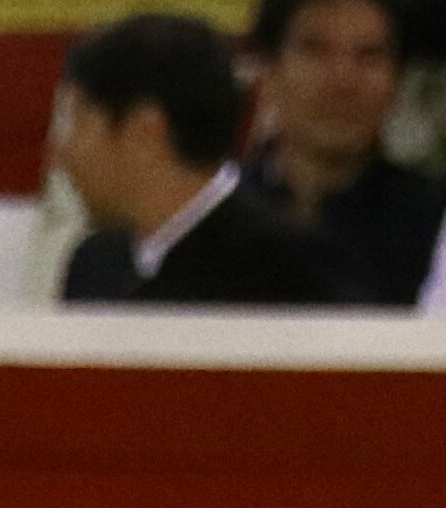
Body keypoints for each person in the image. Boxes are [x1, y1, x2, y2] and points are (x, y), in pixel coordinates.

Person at [55, 11, 344, 298]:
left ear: (144, 132)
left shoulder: (290, 269)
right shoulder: (94, 266)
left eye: (79, 122)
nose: (64, 155)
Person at [239, 0, 444, 300]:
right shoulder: (216, 214)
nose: (343, 80)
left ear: (397, 81)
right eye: (315, 51)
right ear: (268, 71)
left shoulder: (436, 223)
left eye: (370, 56)